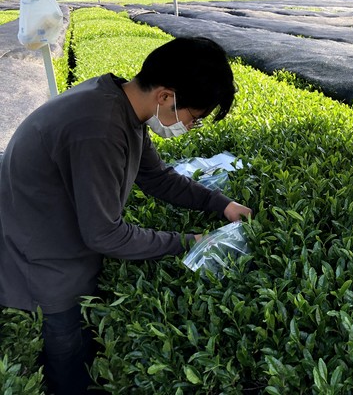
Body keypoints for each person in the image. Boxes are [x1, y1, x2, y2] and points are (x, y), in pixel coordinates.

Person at [0, 37, 253, 394]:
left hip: (60, 247)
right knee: (69, 368)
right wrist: (189, 242)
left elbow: (157, 177)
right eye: (193, 118)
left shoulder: (120, 103)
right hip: (44, 266)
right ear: (166, 96)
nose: (190, 127)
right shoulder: (98, 127)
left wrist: (221, 204)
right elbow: (104, 234)